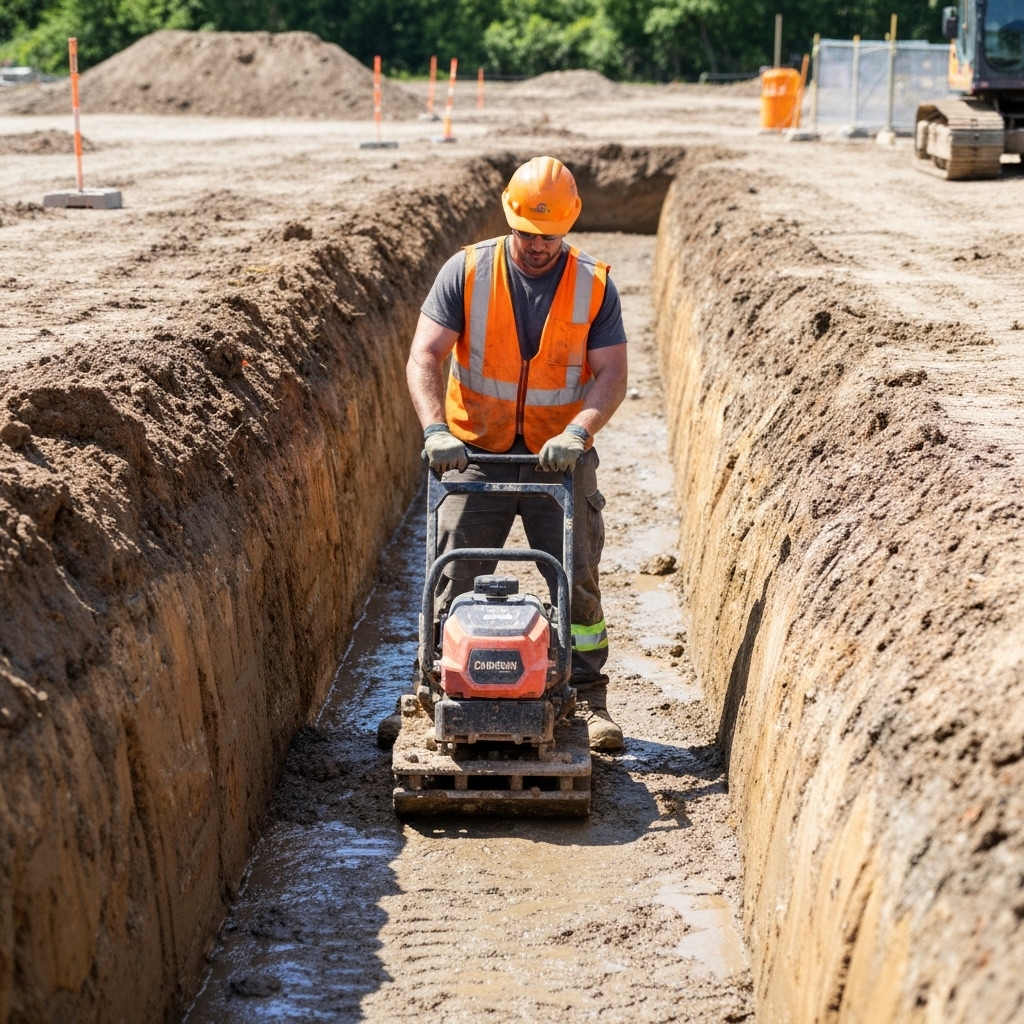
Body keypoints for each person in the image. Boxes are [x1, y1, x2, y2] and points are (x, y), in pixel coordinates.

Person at [407, 155, 628, 751]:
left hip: (561, 456)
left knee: (576, 576)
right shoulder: (467, 271)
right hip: (474, 449)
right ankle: (435, 690)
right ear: (509, 220)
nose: (537, 247)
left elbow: (611, 373)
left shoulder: (594, 285)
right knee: (450, 569)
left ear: (569, 226)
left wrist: (579, 431)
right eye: (527, 235)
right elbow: (425, 354)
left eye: (549, 237)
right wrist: (434, 431)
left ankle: (589, 696)